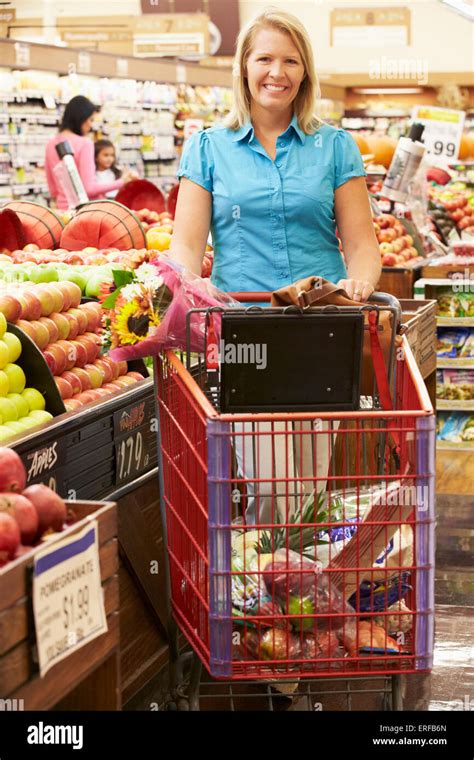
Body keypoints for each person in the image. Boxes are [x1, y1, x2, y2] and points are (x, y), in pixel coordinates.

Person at [170, 9, 382, 522]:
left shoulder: (334, 146)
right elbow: (184, 253)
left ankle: (299, 588)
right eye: (264, 58)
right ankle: (271, 585)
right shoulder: (208, 147)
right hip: (246, 329)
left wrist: (360, 284)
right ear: (244, 66)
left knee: (310, 484)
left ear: (305, 72)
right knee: (268, 483)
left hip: (324, 325)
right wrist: (186, 300)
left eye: (291, 61)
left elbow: (361, 243)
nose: (277, 72)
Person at [45, 96, 134, 209]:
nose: (91, 125)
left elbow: (53, 190)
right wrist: (122, 182)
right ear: (81, 118)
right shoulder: (85, 144)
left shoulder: (51, 144)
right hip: (84, 210)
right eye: (91, 120)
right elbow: (89, 189)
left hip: (62, 210)